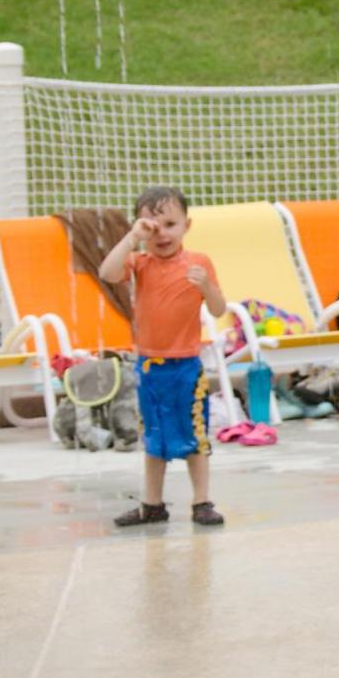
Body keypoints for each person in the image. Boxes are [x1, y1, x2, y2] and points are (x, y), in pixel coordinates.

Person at [99, 186, 228, 529]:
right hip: (149, 367)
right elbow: (107, 273)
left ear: (188, 224)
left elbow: (218, 308)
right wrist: (131, 238)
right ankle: (152, 504)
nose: (162, 234)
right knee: (154, 437)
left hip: (186, 367)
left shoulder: (199, 263)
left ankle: (201, 501)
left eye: (170, 224)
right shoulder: (140, 263)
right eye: (152, 227)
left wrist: (205, 287)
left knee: (194, 435)